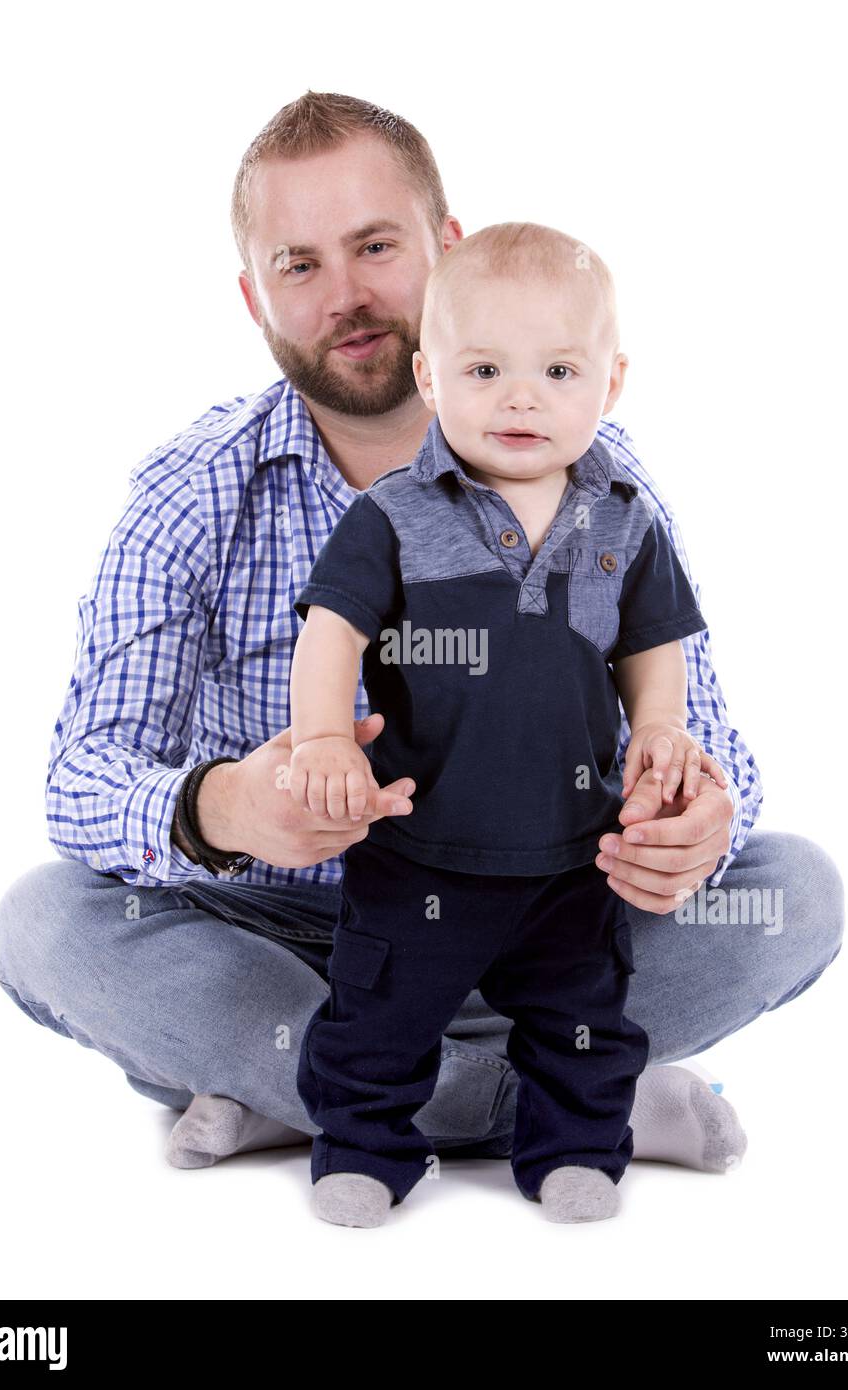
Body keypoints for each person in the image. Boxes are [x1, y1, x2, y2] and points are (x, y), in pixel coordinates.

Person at [0, 91, 844, 1183]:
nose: (344, 295)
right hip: (284, 938)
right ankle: (563, 1095)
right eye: (298, 265)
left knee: (795, 888)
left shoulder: (604, 487)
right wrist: (219, 808)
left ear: (446, 252)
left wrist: (693, 818)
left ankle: (319, 1093)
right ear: (255, 297)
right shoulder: (190, 492)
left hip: (546, 912)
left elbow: (705, 739)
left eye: (375, 246)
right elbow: (77, 780)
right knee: (45, 920)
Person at [289, 220, 732, 1226]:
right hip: (420, 850)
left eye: (557, 370)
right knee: (379, 1011)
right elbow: (330, 633)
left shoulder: (623, 514)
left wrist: (662, 728)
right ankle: (363, 1146)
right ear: (429, 377)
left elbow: (651, 648)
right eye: (484, 368)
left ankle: (575, 1145)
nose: (521, 396)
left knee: (581, 1013)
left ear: (609, 383)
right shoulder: (396, 514)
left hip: (575, 853)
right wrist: (321, 739)